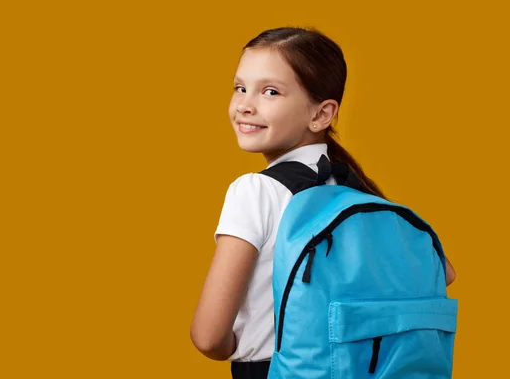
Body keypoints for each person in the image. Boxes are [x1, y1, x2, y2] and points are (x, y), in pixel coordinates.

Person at [190, 27, 456, 379]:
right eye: (240, 87)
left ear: (321, 115)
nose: (245, 105)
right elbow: (445, 272)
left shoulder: (255, 191)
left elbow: (208, 337)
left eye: (270, 91)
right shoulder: (354, 189)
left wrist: (238, 349)